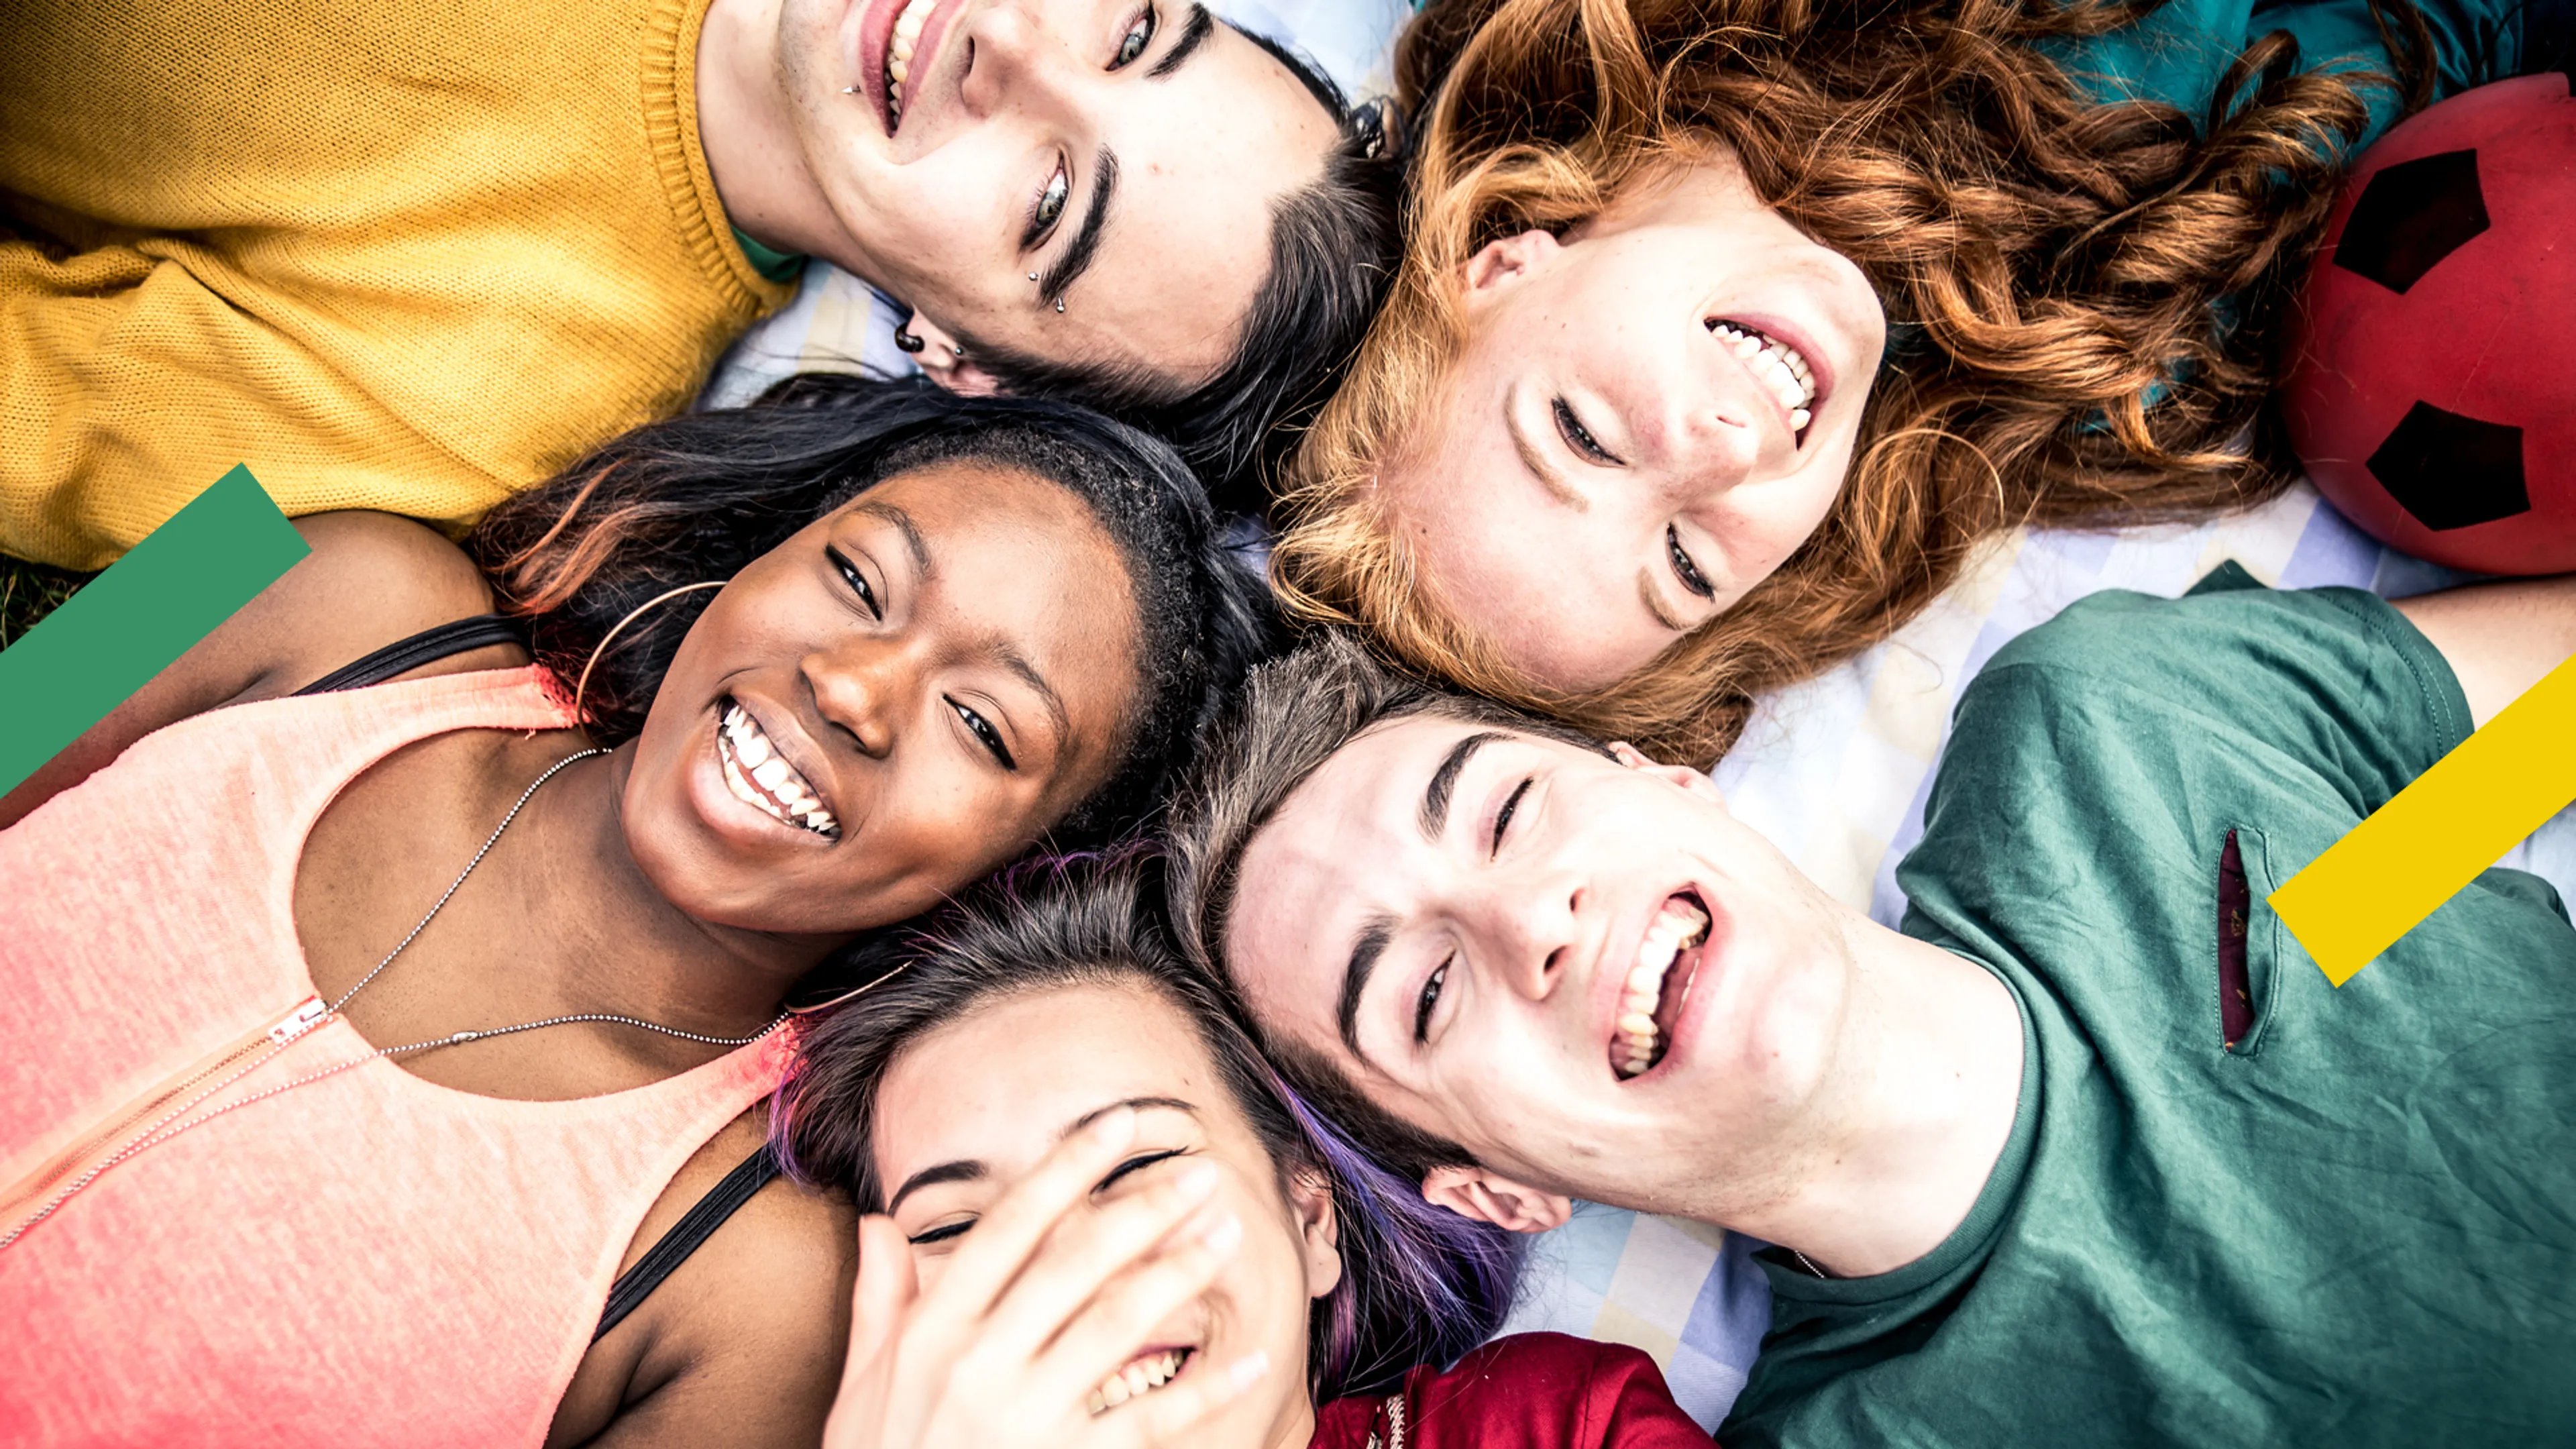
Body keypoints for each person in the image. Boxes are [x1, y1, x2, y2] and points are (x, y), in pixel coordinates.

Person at [0, 376, 1269, 1448]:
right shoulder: (319, 568)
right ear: (765, 547)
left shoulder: (758, 1298)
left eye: (983, 725)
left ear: (1014, 873)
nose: (855, 688)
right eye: (856, 576)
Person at [1162, 570, 2576, 1445]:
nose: (1532, 922)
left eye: (1511, 812)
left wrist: (2383, 887)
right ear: (1498, 1196)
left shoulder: (2117, 731)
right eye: (1423, 993)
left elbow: (2538, 731)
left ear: (1659, 779)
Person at [1264, 0, 2569, 767]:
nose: (1720, 451)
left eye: (1585, 436)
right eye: (1688, 565)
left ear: (1498, 267)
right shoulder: (2120, 379)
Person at [0, 0, 1401, 571]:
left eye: (1050, 202)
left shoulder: (481, 417)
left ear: (958, 358)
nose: (1012, 49)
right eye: (1139, 31)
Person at [770, 851, 1717, 1448]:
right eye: (957, 1227)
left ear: (1309, 1219)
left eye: (1135, 1169)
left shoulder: (1555, 1429)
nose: (1071, 1271)